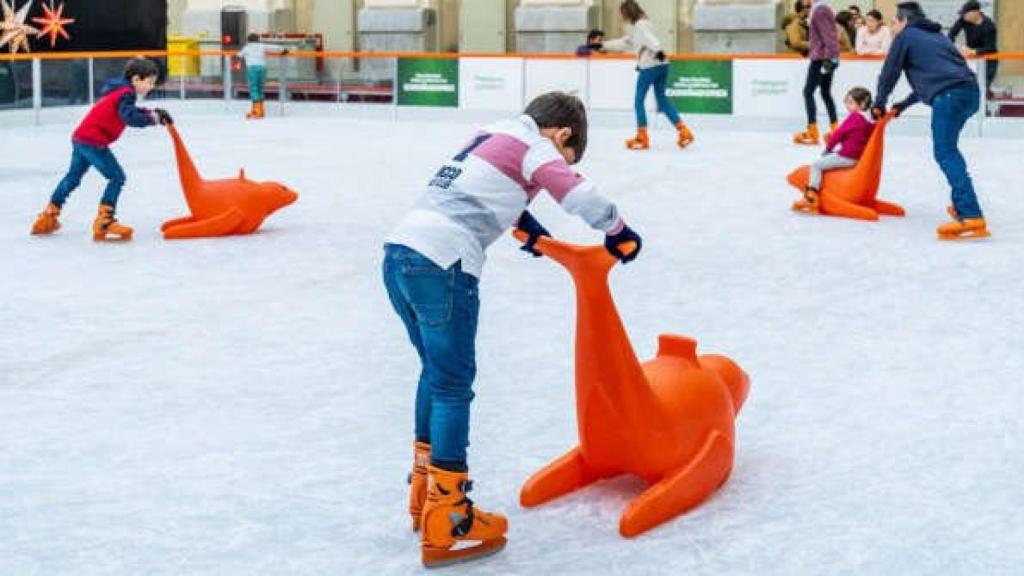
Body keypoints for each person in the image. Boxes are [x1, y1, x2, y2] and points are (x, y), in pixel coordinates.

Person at [383, 92, 642, 567]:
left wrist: (528, 226)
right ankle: (450, 515)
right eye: (567, 153)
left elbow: (487, 188)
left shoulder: (491, 133)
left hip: (400, 252)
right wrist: (619, 230)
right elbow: (579, 195)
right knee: (454, 386)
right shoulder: (536, 147)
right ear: (562, 134)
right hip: (443, 262)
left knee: (435, 375)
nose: (557, 165)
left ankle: (424, 490)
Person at [873, 2, 989, 240]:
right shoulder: (938, 37)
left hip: (949, 96)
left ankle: (971, 213)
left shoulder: (906, 36)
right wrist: (902, 105)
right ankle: (962, 205)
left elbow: (889, 72)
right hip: (969, 93)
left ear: (903, 20)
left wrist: (879, 103)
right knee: (949, 149)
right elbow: (938, 77)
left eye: (894, 22)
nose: (893, 26)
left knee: (945, 152)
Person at [31, 58, 173, 241]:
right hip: (93, 142)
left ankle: (48, 216)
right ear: (137, 79)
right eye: (150, 82)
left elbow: (129, 110)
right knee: (117, 177)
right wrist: (152, 118)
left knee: (72, 178)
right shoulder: (127, 93)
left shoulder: (120, 91)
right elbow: (129, 116)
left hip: (81, 138)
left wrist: (152, 113)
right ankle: (105, 221)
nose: (151, 87)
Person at [602, 0, 694, 150]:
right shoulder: (643, 25)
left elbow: (652, 41)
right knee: (662, 101)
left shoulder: (640, 26)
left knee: (638, 101)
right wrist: (603, 45)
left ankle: (642, 136)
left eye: (623, 14)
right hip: (662, 65)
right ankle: (684, 131)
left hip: (651, 66)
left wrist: (658, 51)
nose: (623, 17)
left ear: (628, 13)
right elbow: (625, 42)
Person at [794, 87, 876, 212]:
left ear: (862, 104)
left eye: (850, 102)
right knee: (830, 158)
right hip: (858, 157)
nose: (847, 105)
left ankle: (811, 195)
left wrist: (827, 149)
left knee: (816, 165)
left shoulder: (855, 117)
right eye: (846, 102)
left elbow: (839, 134)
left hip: (848, 157)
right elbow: (857, 136)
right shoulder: (870, 120)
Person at [794, 0, 840, 146]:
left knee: (808, 92)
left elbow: (829, 37)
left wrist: (830, 58)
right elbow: (825, 35)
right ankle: (835, 130)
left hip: (821, 59)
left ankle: (813, 131)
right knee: (825, 93)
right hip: (825, 57)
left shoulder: (820, 10)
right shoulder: (820, 9)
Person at [948, 0, 998, 94]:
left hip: (988, 60)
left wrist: (974, 51)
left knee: (983, 86)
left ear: (975, 13)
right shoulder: (964, 20)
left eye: (965, 14)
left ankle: (986, 101)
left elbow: (990, 48)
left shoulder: (989, 26)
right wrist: (951, 46)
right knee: (969, 84)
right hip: (971, 59)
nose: (963, 16)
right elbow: (952, 33)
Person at [237, 33, 288, 120]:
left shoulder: (247, 47)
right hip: (262, 68)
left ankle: (256, 111)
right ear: (258, 40)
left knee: (254, 88)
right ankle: (261, 111)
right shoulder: (262, 46)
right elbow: (274, 47)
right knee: (260, 88)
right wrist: (283, 50)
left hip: (252, 69)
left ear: (248, 40)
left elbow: (239, 55)